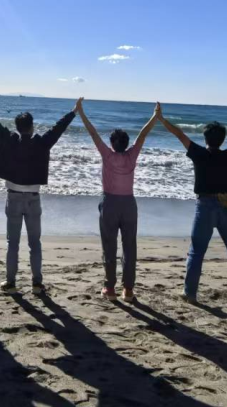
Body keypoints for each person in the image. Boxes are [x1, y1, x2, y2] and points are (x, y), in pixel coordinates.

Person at [157, 105, 227, 307]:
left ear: (206, 138)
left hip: (205, 206)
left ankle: (190, 293)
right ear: (223, 139)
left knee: (196, 252)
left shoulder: (199, 153)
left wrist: (161, 118)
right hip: (226, 205)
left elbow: (179, 134)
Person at [0, 101, 77, 295]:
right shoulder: (41, 143)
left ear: (17, 127)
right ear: (32, 127)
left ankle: (11, 282)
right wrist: (73, 112)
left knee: (13, 243)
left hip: (14, 198)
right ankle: (37, 284)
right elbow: (57, 129)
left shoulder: (9, 140)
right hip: (33, 198)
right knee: (35, 243)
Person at [75, 97, 159, 303]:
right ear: (126, 144)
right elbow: (143, 135)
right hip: (129, 204)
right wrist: (155, 117)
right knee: (129, 246)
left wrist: (81, 112)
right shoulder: (132, 155)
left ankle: (110, 287)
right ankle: (128, 290)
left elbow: (93, 133)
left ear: (112, 144)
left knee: (109, 245)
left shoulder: (107, 155)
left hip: (110, 203)